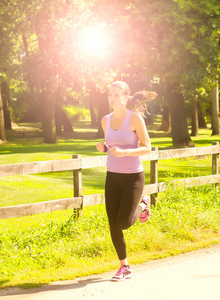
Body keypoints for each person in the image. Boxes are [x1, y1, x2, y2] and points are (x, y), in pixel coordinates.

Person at [96, 80, 156, 282]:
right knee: (113, 225)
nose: (111, 98)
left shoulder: (135, 118)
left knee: (123, 222)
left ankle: (144, 204)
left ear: (124, 96)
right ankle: (125, 267)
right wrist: (103, 147)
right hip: (112, 177)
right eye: (109, 94)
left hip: (133, 178)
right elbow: (112, 144)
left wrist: (125, 152)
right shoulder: (106, 120)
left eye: (115, 94)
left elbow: (147, 147)